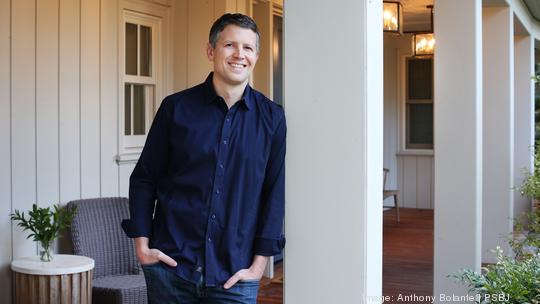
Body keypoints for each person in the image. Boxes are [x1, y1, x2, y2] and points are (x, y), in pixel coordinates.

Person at [121, 13, 286, 303]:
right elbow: (145, 178)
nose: (239, 55)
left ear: (257, 56)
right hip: (171, 270)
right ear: (211, 51)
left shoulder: (272, 119)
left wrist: (259, 266)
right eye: (229, 45)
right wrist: (142, 246)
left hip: (234, 276)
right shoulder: (176, 109)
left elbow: (274, 194)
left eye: (248, 48)